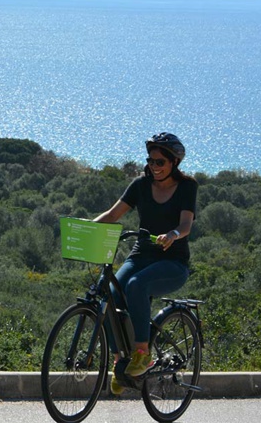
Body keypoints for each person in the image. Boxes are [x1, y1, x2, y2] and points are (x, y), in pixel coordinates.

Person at [93, 132, 197, 395]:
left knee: (137, 285)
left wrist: (173, 234)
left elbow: (186, 225)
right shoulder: (140, 185)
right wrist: (84, 227)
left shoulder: (187, 187)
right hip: (141, 256)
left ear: (174, 162)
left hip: (172, 262)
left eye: (160, 162)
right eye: (151, 161)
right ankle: (120, 361)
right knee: (109, 293)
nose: (154, 166)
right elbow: (113, 215)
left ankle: (143, 353)